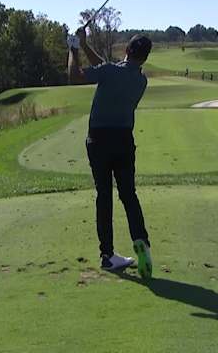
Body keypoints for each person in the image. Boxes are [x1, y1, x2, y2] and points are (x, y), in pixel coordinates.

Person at [67, 26, 154, 278]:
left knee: (103, 196)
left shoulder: (108, 73)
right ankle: (141, 241)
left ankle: (108, 255)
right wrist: (84, 46)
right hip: (124, 141)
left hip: (99, 140)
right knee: (129, 195)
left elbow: (74, 75)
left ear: (126, 49)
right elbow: (107, 68)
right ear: (144, 57)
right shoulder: (141, 80)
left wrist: (73, 47)